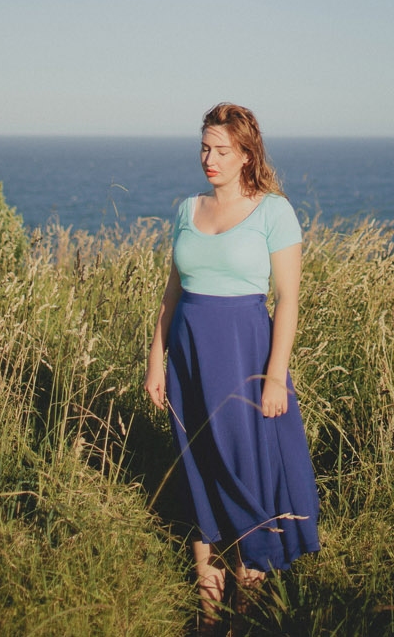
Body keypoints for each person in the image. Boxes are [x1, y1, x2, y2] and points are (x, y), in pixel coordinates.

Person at [144, 103, 319, 627]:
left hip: (245, 359)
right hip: (188, 361)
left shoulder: (273, 211)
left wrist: (275, 376)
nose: (209, 159)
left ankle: (245, 610)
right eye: (205, 148)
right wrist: (156, 360)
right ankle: (207, 613)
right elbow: (171, 294)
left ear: (247, 155)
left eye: (222, 150)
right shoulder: (187, 209)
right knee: (199, 470)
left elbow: (288, 300)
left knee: (245, 473)